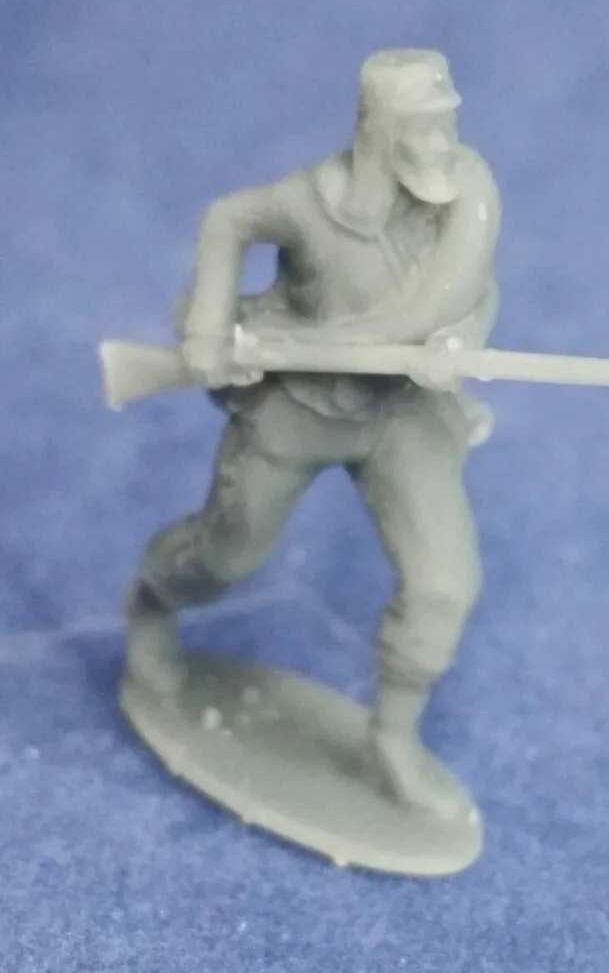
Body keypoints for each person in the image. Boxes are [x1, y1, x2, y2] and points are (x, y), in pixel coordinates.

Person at [125, 48, 501, 819]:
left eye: (446, 121)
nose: (441, 141)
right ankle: (151, 604)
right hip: (294, 410)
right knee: (225, 559)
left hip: (402, 416)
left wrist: (458, 339)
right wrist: (209, 325)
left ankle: (391, 738)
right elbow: (227, 218)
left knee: (443, 586)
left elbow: (470, 288)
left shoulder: (469, 188)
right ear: (380, 128)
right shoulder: (310, 202)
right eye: (423, 126)